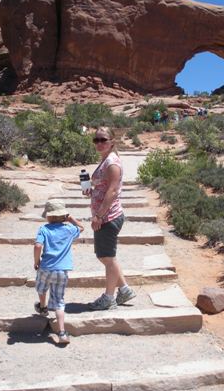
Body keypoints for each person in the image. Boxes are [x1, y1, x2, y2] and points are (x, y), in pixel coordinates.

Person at [83, 127, 136, 310]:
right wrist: (92, 188)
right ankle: (125, 289)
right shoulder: (105, 161)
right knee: (107, 257)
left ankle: (109, 298)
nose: (99, 143)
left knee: (106, 257)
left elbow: (112, 191)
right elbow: (104, 186)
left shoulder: (112, 162)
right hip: (106, 215)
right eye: (96, 140)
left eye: (103, 140)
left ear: (112, 142)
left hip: (108, 216)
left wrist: (99, 215)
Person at [34, 199, 84, 345]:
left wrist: (36, 261)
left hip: (46, 267)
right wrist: (71, 218)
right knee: (59, 301)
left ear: (48, 215)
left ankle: (42, 307)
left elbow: (38, 246)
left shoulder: (44, 229)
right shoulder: (69, 229)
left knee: (41, 287)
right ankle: (62, 333)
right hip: (62, 270)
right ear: (63, 215)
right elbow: (81, 227)